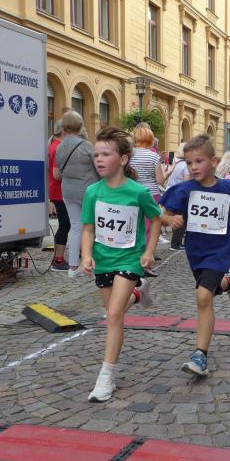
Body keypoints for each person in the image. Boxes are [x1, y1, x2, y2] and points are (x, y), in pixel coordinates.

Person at [161, 135, 230, 377]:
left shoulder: (227, 188)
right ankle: (228, 281)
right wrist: (169, 219)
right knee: (208, 291)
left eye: (198, 161)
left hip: (219, 252)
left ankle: (200, 356)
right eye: (189, 163)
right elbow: (162, 215)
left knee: (203, 298)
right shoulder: (184, 190)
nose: (193, 167)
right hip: (195, 252)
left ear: (213, 161)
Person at [80, 127, 162, 402]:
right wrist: (86, 255)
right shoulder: (93, 192)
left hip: (130, 259)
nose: (99, 159)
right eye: (96, 155)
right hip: (103, 261)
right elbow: (88, 228)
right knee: (113, 315)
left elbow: (156, 219)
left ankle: (106, 377)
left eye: (106, 154)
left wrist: (149, 251)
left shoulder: (138, 192)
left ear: (123, 159)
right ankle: (138, 293)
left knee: (114, 315)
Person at [55, 110, 98, 277]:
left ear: (64, 127)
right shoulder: (86, 145)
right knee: (91, 227)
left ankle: (72, 267)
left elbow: (59, 170)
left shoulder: (60, 146)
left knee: (75, 228)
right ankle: (91, 263)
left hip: (68, 191)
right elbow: (98, 167)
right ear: (80, 126)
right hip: (88, 191)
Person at [47, 120, 69, 272]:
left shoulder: (53, 144)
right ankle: (58, 260)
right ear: (64, 131)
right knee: (65, 225)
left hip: (56, 190)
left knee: (65, 225)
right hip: (59, 191)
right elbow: (56, 174)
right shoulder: (59, 147)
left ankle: (58, 258)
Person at [165, 143, 190, 251]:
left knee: (172, 216)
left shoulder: (173, 161)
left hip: (170, 192)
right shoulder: (185, 165)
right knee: (181, 218)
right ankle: (176, 244)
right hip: (180, 194)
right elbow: (186, 182)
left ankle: (175, 243)